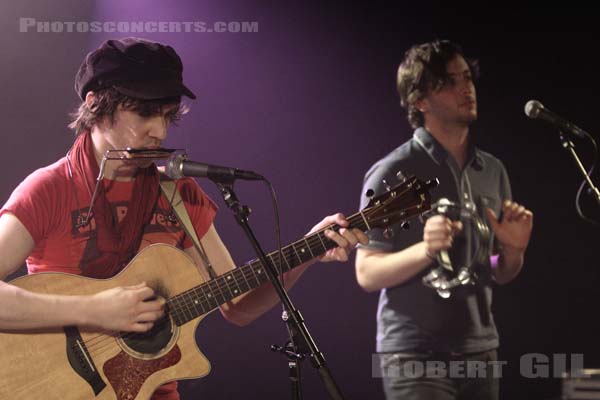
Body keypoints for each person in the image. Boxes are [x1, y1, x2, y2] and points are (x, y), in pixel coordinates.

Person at [0, 37, 367, 399]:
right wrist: (95, 310)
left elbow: (237, 306)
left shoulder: (178, 193)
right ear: (95, 104)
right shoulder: (48, 190)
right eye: (144, 113)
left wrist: (308, 251)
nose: (159, 132)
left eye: (166, 116)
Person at [355, 40, 533, 400]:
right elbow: (366, 273)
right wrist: (426, 249)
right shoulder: (395, 171)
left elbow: (497, 270)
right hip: (415, 356)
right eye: (449, 82)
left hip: (481, 351)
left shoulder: (492, 170)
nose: (465, 88)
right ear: (420, 100)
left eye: (467, 78)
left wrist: (513, 252)